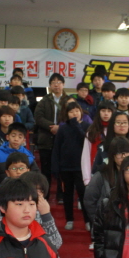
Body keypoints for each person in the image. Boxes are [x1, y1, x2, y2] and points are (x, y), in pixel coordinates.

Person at [0, 171, 62, 251]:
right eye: (34, 190)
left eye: (41, 191)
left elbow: (55, 244)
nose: (37, 194)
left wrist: (46, 215)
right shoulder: (0, 209)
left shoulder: (43, 211)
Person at [52, 101, 89, 231]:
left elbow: (85, 141)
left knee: (83, 194)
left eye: (77, 111)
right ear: (66, 114)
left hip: (81, 167)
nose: (74, 113)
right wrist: (56, 167)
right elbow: (56, 148)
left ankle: (88, 220)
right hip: (65, 167)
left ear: (81, 112)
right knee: (67, 195)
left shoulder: (87, 126)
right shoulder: (63, 128)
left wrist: (76, 125)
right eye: (71, 112)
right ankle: (69, 219)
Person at [34, 73, 70, 199]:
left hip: (64, 139)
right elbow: (38, 117)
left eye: (59, 82)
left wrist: (60, 128)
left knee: (62, 169)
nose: (56, 85)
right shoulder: (44, 101)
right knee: (46, 170)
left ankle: (61, 195)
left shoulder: (69, 100)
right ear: (50, 85)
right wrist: (52, 127)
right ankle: (45, 195)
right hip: (46, 139)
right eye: (53, 82)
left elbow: (73, 116)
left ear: (63, 84)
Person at [82, 101, 115, 185]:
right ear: (99, 112)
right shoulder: (91, 131)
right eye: (103, 111)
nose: (106, 114)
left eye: (109, 111)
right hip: (95, 173)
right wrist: (87, 179)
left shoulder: (117, 131)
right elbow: (86, 156)